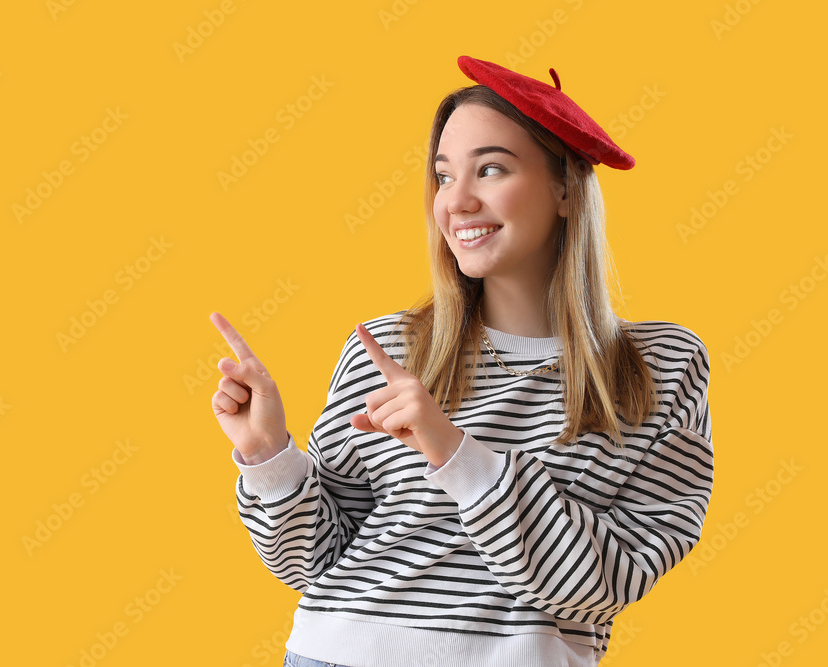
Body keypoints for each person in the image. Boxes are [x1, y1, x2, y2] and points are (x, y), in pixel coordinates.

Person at [210, 55, 713, 667]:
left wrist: (455, 451)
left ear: (565, 187)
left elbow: (603, 587)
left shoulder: (658, 366)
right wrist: (269, 458)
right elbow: (313, 560)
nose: (458, 201)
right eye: (444, 177)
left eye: (492, 169)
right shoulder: (388, 347)